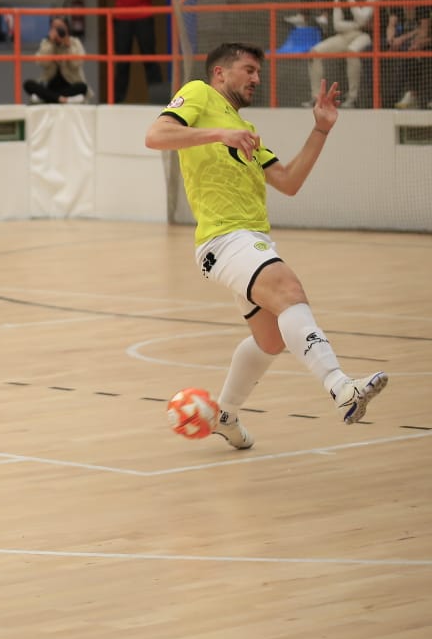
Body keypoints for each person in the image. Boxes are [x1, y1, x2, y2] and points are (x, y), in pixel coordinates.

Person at [144, 42, 388, 449]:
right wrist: (222, 132)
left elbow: (289, 181)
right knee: (289, 291)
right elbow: (156, 135)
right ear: (220, 73)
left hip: (250, 238)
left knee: (271, 340)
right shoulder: (201, 94)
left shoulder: (247, 132)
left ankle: (225, 414)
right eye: (249, 69)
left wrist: (321, 129)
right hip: (224, 238)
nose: (257, 78)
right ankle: (341, 387)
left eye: (258, 71)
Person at [308, 0, 379, 107]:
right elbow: (337, 25)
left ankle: (353, 98)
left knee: (351, 52)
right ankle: (317, 98)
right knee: (314, 52)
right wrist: (359, 25)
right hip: (347, 34)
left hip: (367, 36)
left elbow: (363, 17)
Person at [23, 16, 91, 105]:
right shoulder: (46, 43)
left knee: (82, 87)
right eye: (54, 27)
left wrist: (68, 45)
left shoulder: (75, 42)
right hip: (50, 85)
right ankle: (62, 99)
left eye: (60, 27)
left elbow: (76, 64)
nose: (58, 31)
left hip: (71, 84)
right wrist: (50, 43)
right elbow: (43, 63)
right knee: (28, 84)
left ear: (66, 28)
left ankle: (47, 98)